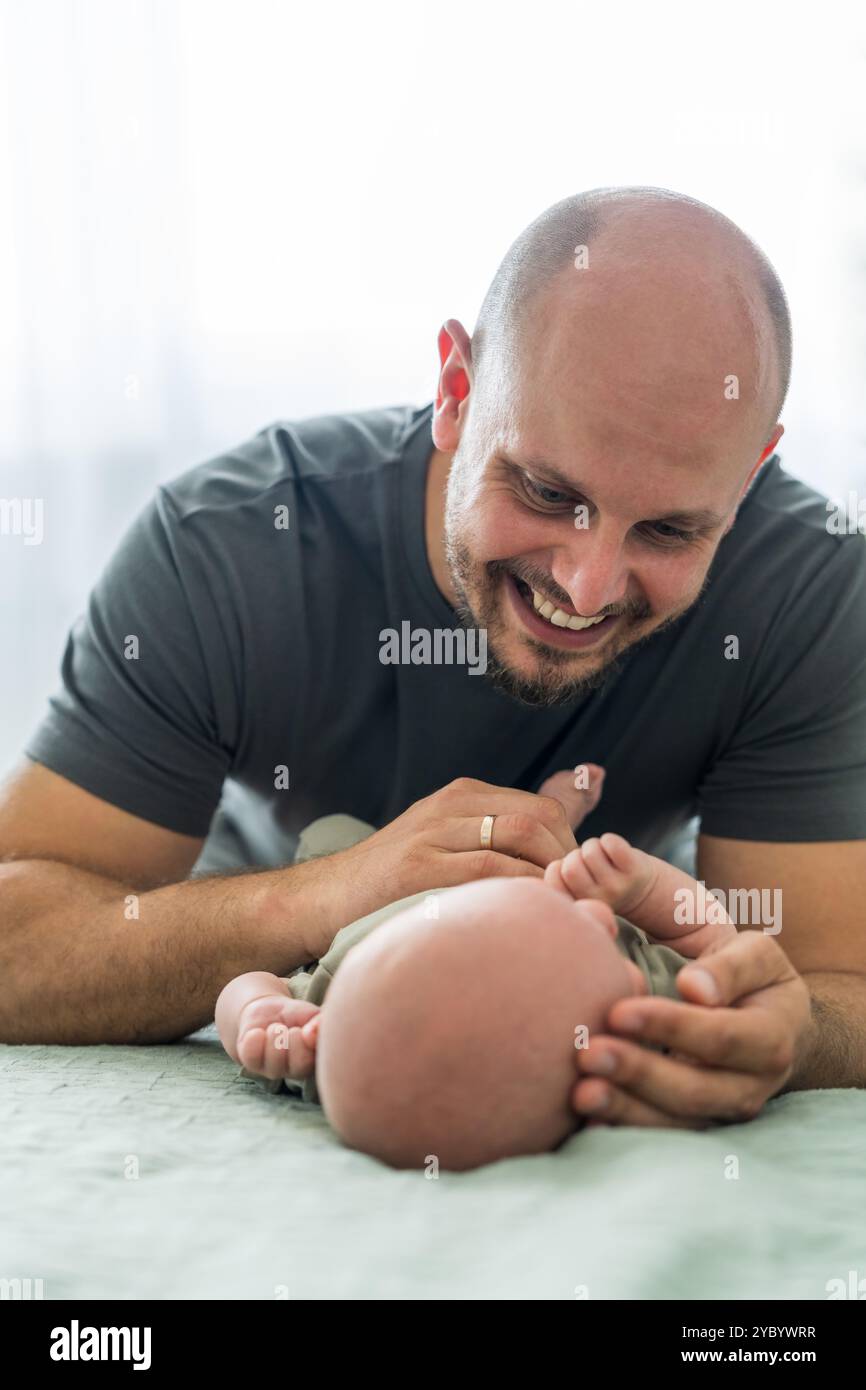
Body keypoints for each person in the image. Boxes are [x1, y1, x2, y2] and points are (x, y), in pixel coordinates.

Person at [1, 186, 860, 1129]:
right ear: (455, 392)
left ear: (747, 476)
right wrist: (343, 888)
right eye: (543, 490)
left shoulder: (810, 591)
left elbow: (837, 982)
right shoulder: (228, 552)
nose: (586, 585)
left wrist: (793, 1037)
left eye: (667, 530)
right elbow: (16, 937)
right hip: (270, 911)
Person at [215, 807, 736, 1170]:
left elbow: (248, 986)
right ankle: (560, 810)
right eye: (587, 922)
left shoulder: (335, 1030)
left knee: (331, 835)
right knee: (553, 847)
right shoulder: (655, 1012)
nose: (599, 914)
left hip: (377, 892)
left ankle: (553, 811)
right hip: (512, 866)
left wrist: (258, 1011)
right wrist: (644, 886)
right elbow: (710, 935)